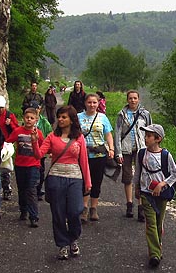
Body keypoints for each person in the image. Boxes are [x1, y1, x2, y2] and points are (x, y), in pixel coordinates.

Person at [31, 105, 91, 260]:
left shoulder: (79, 138)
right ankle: (62, 244)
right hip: (56, 177)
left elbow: (83, 161)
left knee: (75, 210)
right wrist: (34, 141)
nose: (60, 120)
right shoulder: (51, 136)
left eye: (64, 117)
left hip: (75, 177)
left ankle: (73, 238)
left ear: (71, 119)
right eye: (59, 117)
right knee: (58, 213)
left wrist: (87, 182)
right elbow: (39, 155)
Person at [134, 123, 176, 268]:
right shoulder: (141, 153)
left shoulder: (165, 155)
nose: (146, 139)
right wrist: (137, 188)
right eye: (145, 136)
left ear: (158, 139)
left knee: (159, 223)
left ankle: (158, 246)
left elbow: (175, 174)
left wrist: (162, 184)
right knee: (151, 224)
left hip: (161, 194)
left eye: (149, 136)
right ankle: (154, 254)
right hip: (146, 193)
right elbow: (138, 172)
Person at [114, 89, 152, 221]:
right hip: (126, 149)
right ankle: (129, 204)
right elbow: (117, 134)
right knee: (127, 176)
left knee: (141, 177)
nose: (133, 100)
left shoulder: (145, 114)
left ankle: (141, 207)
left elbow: (150, 131)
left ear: (138, 99)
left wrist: (150, 149)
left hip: (141, 148)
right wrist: (118, 152)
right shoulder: (121, 115)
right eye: (130, 98)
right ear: (127, 100)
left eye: (135, 98)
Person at [78, 92, 115, 222]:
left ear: (98, 103)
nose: (92, 105)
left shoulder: (103, 117)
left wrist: (111, 148)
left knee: (96, 182)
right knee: (83, 182)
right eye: (89, 102)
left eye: (94, 102)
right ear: (85, 103)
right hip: (82, 154)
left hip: (99, 154)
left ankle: (94, 208)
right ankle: (84, 208)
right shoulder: (78, 117)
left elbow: (108, 134)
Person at [9, 107, 44, 227]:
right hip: (20, 165)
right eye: (27, 117)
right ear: (23, 118)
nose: (29, 120)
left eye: (32, 118)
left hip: (34, 165)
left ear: (36, 120)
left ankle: (34, 216)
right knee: (22, 189)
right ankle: (23, 210)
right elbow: (8, 142)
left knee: (31, 190)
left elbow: (43, 147)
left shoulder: (38, 133)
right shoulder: (18, 131)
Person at [0, 95, 18, 199]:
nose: (0, 110)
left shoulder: (9, 115)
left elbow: (16, 129)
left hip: (7, 144)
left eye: (1, 107)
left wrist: (10, 124)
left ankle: (6, 188)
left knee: (6, 167)